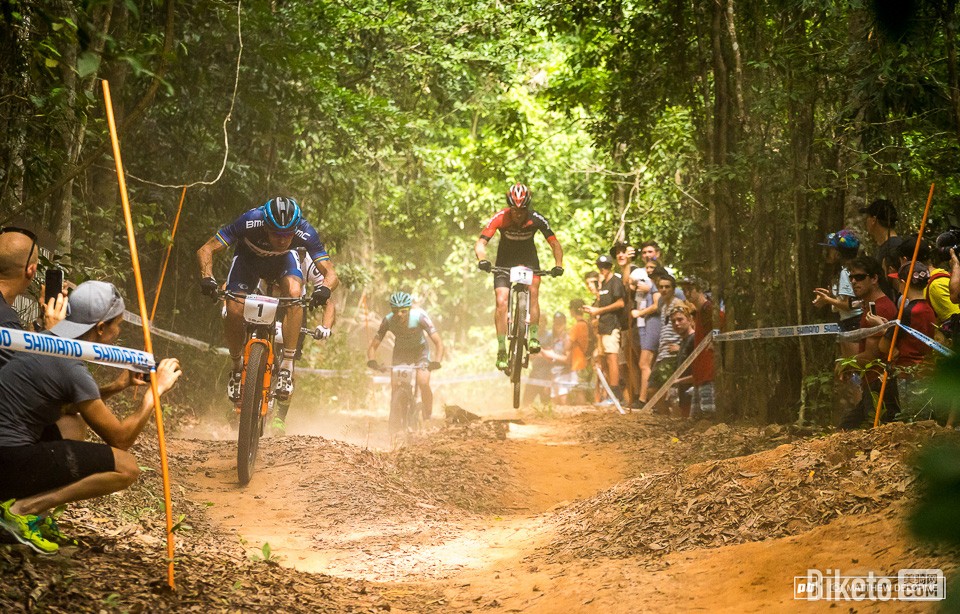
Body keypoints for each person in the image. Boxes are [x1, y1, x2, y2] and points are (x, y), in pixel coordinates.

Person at [0, 281, 182, 554]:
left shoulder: (49, 341)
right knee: (127, 467)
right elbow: (120, 439)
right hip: (8, 460)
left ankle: (34, 513)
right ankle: (21, 510)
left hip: (8, 451)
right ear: (100, 328)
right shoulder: (71, 367)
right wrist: (153, 394)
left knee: (72, 424)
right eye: (117, 325)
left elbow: (68, 409)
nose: (118, 332)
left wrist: (118, 386)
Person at [196, 196, 339, 403]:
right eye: (276, 234)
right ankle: (236, 367)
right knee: (234, 310)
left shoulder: (305, 231)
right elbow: (206, 249)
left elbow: (331, 273)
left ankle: (286, 368)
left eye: (287, 235)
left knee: (295, 295)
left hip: (283, 264)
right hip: (248, 263)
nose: (282, 240)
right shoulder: (250, 221)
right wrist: (207, 277)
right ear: (265, 227)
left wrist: (324, 290)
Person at [475, 183, 564, 370]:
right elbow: (481, 243)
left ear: (527, 208)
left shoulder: (536, 218)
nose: (518, 214)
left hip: (528, 260)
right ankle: (501, 349)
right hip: (504, 261)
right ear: (510, 207)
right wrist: (482, 259)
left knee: (534, 291)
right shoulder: (500, 217)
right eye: (515, 210)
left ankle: (532, 336)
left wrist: (558, 265)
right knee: (501, 300)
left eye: (522, 210)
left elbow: (555, 244)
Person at [866, 262, 937, 417]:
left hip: (907, 374)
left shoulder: (906, 312)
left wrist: (880, 326)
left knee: (912, 420)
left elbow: (885, 346)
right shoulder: (929, 310)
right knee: (926, 418)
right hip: (927, 373)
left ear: (904, 283)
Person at [838, 256, 898, 429]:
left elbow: (872, 355)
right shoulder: (870, 306)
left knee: (877, 432)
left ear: (874, 278)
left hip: (879, 383)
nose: (854, 282)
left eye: (860, 277)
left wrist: (846, 364)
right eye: (851, 277)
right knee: (847, 427)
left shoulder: (881, 307)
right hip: (871, 382)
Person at [366, 292, 444, 419]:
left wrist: (437, 361)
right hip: (401, 352)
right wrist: (372, 360)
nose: (399, 314)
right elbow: (373, 346)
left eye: (403, 311)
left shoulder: (419, 317)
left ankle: (428, 415)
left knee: (423, 382)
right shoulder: (388, 320)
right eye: (395, 311)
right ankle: (396, 420)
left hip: (420, 351)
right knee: (395, 386)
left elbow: (438, 342)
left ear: (409, 309)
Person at [0, 227, 67, 368]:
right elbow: (31, 379)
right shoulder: (5, 320)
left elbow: (21, 353)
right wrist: (53, 335)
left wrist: (42, 319)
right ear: (31, 270)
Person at [812, 229, 863, 358]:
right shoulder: (844, 271)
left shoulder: (846, 273)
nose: (828, 253)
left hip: (853, 323)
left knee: (852, 366)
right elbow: (845, 298)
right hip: (848, 322)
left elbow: (848, 305)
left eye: (831, 249)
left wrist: (828, 300)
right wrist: (829, 296)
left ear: (838, 253)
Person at [583, 255, 625, 405]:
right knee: (604, 362)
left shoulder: (615, 282)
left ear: (611, 266)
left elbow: (620, 303)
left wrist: (598, 311)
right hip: (602, 327)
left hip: (612, 326)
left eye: (606, 266)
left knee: (612, 358)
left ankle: (614, 394)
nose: (603, 269)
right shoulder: (604, 284)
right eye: (600, 266)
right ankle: (608, 395)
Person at [680, 276, 718, 419]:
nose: (687, 293)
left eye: (690, 289)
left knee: (708, 411)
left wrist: (716, 341)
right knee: (696, 414)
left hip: (709, 366)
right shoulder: (699, 311)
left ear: (700, 290)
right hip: (700, 368)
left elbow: (721, 321)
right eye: (684, 290)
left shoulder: (708, 308)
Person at [648, 273, 687, 412]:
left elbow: (688, 325)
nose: (664, 290)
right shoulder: (664, 306)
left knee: (668, 390)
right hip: (662, 352)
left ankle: (671, 420)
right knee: (652, 389)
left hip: (672, 354)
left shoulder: (679, 303)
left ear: (673, 288)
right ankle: (665, 418)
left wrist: (681, 347)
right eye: (661, 287)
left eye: (667, 287)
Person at [632, 259, 663, 404]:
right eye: (647, 267)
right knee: (644, 362)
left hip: (653, 322)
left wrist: (640, 313)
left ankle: (644, 399)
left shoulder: (656, 285)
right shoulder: (644, 283)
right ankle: (647, 397)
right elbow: (638, 300)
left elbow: (657, 305)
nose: (649, 269)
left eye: (653, 267)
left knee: (644, 362)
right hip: (643, 323)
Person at [860, 198, 902, 298]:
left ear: (873, 220)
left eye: (868, 217)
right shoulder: (885, 246)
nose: (866, 221)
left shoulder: (894, 247)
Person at [666, 305, 696, 417]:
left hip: (693, 396)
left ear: (689, 320)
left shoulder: (695, 340)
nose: (676, 324)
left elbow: (699, 373)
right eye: (673, 321)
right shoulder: (683, 342)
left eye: (680, 319)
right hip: (683, 397)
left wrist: (677, 381)